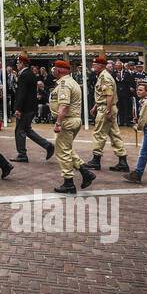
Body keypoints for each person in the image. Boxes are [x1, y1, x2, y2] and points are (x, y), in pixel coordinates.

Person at [50, 60, 96, 194]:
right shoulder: (70, 82)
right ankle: (85, 172)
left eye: (55, 69)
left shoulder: (65, 84)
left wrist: (58, 123)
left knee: (62, 152)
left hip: (67, 121)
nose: (53, 71)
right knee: (67, 149)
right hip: (73, 120)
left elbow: (64, 106)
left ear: (60, 70)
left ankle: (68, 183)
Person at [89, 54, 130, 172]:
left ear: (101, 66)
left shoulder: (104, 77)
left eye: (95, 64)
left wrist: (107, 109)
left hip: (106, 109)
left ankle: (96, 160)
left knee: (99, 134)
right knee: (114, 134)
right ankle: (122, 160)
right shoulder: (102, 75)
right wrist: (95, 106)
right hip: (105, 107)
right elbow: (103, 94)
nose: (93, 66)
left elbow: (109, 94)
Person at [12, 53, 54, 163]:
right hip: (31, 107)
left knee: (20, 130)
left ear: (22, 63)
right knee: (27, 130)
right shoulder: (30, 73)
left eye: (18, 63)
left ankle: (22, 154)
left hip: (25, 108)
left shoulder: (24, 75)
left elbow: (22, 93)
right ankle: (47, 145)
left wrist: (18, 108)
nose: (16, 65)